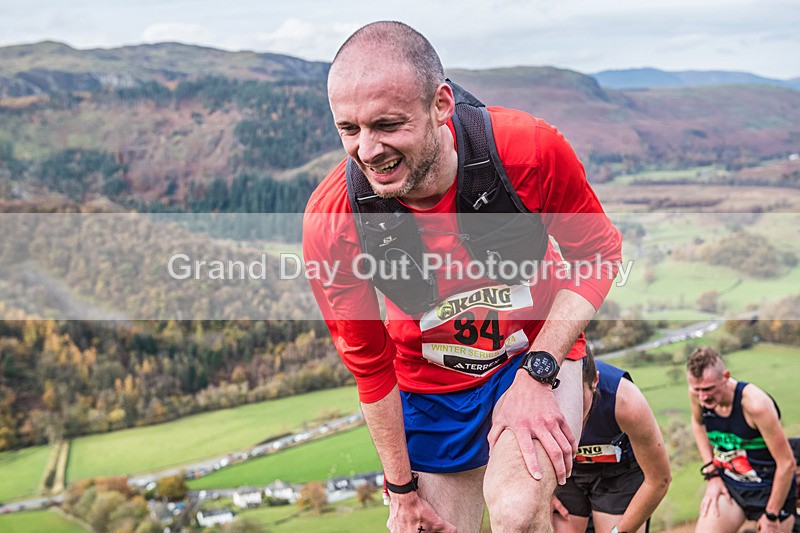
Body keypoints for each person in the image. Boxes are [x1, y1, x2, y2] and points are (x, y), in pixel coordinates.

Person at [303, 21, 622, 533]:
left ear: (441, 105)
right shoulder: (335, 218)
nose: (368, 151)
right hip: (428, 386)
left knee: (516, 512)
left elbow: (599, 254)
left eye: (388, 124)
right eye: (349, 129)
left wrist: (538, 372)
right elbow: (368, 364)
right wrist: (401, 492)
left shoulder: (528, 152)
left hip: (533, 356)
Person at [551, 352, 671, 533]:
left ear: (595, 382)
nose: (570, 412)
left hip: (620, 473)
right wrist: (544, 496)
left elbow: (659, 480)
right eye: (559, 400)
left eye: (578, 398)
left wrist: (618, 532)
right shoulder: (534, 397)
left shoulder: (626, 401)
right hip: (567, 472)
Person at [687, 347, 797, 533]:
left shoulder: (756, 405)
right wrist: (711, 474)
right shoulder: (698, 396)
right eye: (696, 389)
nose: (703, 397)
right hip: (732, 486)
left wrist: (771, 515)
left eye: (708, 389)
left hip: (770, 490)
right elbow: (698, 424)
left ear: (726, 377)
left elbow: (787, 464)